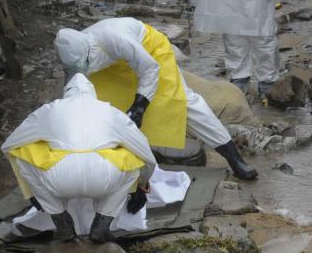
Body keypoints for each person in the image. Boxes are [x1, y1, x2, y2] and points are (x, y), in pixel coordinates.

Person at [54, 17, 258, 181]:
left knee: (183, 103)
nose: (82, 69)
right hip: (115, 68)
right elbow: (73, 85)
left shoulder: (115, 38)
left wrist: (139, 106)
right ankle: (102, 164)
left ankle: (234, 158)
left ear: (90, 50)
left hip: (151, 55)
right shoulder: (73, 53)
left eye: (85, 64)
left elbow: (149, 69)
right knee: (98, 108)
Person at [2, 73, 157, 243]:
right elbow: (147, 155)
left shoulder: (50, 110)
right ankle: (102, 224)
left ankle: (61, 221)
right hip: (104, 178)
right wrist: (141, 185)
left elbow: (9, 145)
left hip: (59, 179)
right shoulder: (111, 111)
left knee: (23, 153)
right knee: (133, 160)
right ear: (94, 94)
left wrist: (32, 191)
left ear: (66, 94)